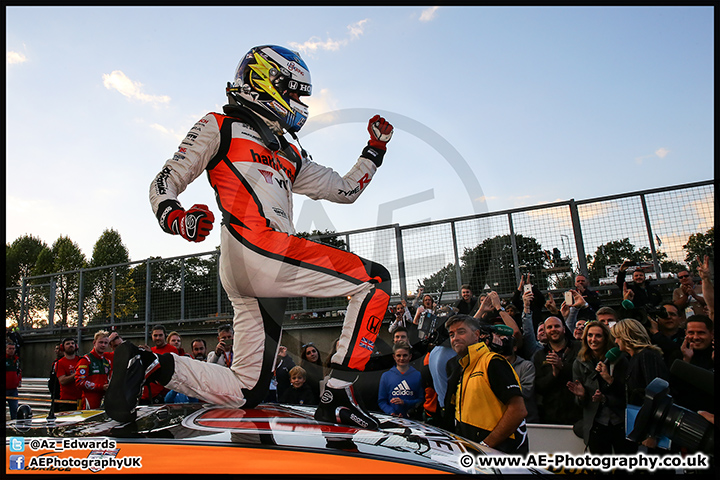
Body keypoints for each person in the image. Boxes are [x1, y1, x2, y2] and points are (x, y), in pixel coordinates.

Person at [108, 44, 394, 430]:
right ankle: (339, 394)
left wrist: (373, 151)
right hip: (257, 247)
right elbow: (165, 181)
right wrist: (176, 218)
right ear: (264, 81)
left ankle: (150, 362)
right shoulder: (219, 125)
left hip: (254, 268)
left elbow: (344, 190)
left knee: (247, 389)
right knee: (373, 281)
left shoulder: (289, 151)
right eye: (291, 91)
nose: (296, 102)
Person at [445, 315, 528, 454]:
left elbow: (518, 411)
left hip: (500, 458)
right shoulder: (463, 368)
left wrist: (485, 446)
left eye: (461, 332)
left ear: (476, 335)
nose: (455, 338)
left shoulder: (493, 362)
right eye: (451, 334)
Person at [567, 321, 636, 454]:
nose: (593, 339)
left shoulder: (619, 359)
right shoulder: (579, 362)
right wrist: (581, 396)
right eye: (590, 335)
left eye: (598, 336)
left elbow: (628, 393)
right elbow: (580, 403)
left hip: (620, 421)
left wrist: (609, 380)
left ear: (605, 338)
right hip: (596, 424)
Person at [610, 318, 670, 451]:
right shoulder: (634, 358)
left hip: (654, 431)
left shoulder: (647, 356)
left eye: (617, 338)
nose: (615, 342)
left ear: (626, 336)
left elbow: (657, 395)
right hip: (642, 427)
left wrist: (652, 434)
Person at [532, 316, 582, 425]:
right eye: (549, 327)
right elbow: (538, 386)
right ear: (545, 331)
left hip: (578, 413)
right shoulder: (539, 356)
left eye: (557, 326)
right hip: (550, 415)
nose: (553, 329)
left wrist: (562, 367)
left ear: (564, 329)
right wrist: (554, 374)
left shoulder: (579, 348)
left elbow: (585, 375)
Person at [377, 341, 423, 419]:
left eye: (405, 355)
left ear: (410, 356)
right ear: (394, 357)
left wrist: (404, 402)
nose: (402, 358)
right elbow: (382, 401)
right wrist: (391, 412)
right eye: (399, 355)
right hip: (393, 420)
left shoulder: (418, 375)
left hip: (413, 420)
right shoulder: (386, 376)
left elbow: (421, 400)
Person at [75, 330, 111, 410]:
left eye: (105, 343)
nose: (103, 345)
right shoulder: (86, 360)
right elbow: (79, 382)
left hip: (104, 401)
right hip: (89, 402)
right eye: (100, 342)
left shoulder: (107, 361)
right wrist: (101, 387)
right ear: (94, 343)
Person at [55, 337, 82, 412]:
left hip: (81, 399)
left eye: (72, 343)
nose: (71, 345)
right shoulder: (60, 363)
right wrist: (77, 374)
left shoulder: (81, 360)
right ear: (62, 347)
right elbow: (62, 381)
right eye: (68, 344)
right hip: (67, 401)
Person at [6, 341, 22, 420]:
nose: (11, 350)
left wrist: (19, 381)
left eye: (13, 349)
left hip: (13, 389)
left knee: (14, 409)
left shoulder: (16, 360)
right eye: (9, 349)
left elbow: (19, 371)